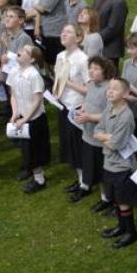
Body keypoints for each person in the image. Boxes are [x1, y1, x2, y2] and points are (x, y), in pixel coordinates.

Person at [95, 78, 137, 249]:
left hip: (122, 166)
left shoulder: (126, 116)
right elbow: (97, 131)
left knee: (124, 201)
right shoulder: (108, 109)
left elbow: (116, 144)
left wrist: (106, 137)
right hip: (109, 162)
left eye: (115, 89)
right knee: (115, 199)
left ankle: (131, 232)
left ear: (125, 94)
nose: (110, 92)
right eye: (109, 89)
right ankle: (121, 227)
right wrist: (109, 136)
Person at [7, 44, 51, 193]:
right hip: (21, 117)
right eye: (21, 49)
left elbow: (37, 100)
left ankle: (40, 179)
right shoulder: (14, 72)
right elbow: (13, 95)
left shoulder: (34, 75)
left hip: (34, 118)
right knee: (26, 149)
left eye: (25, 51)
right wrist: (14, 113)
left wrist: (25, 118)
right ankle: (33, 174)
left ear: (32, 59)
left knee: (35, 150)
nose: (19, 51)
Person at [73, 56, 115, 204]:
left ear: (105, 71)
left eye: (96, 68)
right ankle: (102, 196)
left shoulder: (110, 88)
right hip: (88, 135)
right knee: (93, 169)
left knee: (103, 171)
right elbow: (87, 100)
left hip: (101, 138)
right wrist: (83, 109)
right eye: (90, 67)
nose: (91, 71)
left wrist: (89, 117)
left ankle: (108, 198)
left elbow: (110, 113)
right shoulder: (91, 84)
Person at [53, 24, 90, 194]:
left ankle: (86, 182)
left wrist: (68, 82)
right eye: (63, 31)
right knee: (69, 145)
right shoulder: (60, 56)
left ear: (78, 37)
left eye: (68, 32)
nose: (63, 34)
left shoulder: (83, 59)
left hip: (76, 107)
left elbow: (89, 88)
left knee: (78, 145)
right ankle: (79, 178)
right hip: (63, 105)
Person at [92, 0, 127, 67]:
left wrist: (95, 39)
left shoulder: (119, 1)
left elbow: (113, 28)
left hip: (109, 51)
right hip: (95, 46)